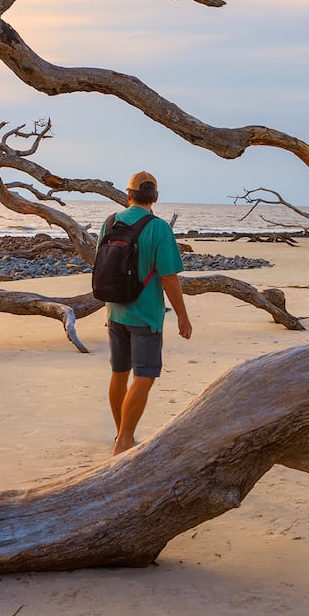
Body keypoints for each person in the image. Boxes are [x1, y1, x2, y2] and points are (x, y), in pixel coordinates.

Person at [102, 170, 192, 455]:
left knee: (119, 373)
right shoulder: (159, 228)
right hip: (145, 315)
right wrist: (182, 315)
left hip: (115, 310)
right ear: (155, 197)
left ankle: (121, 434)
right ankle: (124, 441)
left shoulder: (110, 222)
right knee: (144, 376)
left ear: (128, 195)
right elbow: (169, 277)